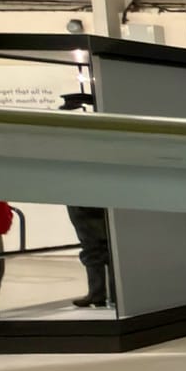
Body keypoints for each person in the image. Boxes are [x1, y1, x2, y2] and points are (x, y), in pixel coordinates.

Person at [60, 92, 113, 308]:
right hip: (95, 196)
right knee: (103, 247)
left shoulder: (73, 137)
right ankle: (106, 292)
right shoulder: (98, 133)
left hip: (83, 197)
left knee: (93, 246)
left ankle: (98, 293)